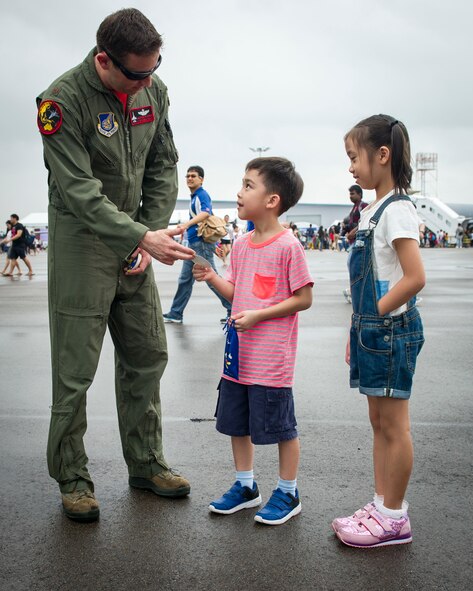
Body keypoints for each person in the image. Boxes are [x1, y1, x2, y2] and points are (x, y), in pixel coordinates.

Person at [36, 8, 196, 522]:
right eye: (135, 74)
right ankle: (73, 475)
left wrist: (144, 236)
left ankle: (146, 462)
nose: (146, 83)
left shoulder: (153, 90)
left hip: (135, 238)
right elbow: (78, 191)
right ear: (104, 60)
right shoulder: (61, 101)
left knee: (147, 354)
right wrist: (139, 235)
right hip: (83, 242)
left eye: (154, 69)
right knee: (75, 372)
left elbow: (164, 164)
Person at [193, 157, 313, 525]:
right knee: (236, 423)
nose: (239, 192)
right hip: (238, 357)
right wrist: (212, 276)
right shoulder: (242, 245)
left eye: (248, 185)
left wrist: (259, 315)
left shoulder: (288, 246)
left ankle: (288, 492)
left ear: (272, 200)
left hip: (271, 360)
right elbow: (237, 294)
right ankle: (246, 486)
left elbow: (304, 297)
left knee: (282, 428)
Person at [332, 114, 426, 548]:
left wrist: (374, 314)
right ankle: (381, 502)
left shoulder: (398, 210)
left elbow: (414, 277)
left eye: (354, 157)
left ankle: (394, 516)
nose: (351, 166)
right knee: (378, 423)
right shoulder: (372, 210)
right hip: (371, 330)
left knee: (394, 426)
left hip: (389, 330)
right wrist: (358, 329)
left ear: (382, 155)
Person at [163, 166, 232, 325]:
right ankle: (176, 313)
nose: (189, 178)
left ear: (201, 179)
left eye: (193, 176)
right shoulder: (195, 197)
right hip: (196, 243)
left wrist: (186, 225)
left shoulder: (201, 195)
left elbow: (206, 213)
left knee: (211, 278)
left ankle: (233, 308)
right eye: (187, 176)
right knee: (185, 279)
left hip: (199, 243)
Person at [341, 185, 368, 302]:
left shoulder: (364, 206)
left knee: (354, 265)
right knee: (352, 265)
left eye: (353, 194)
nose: (350, 196)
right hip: (353, 242)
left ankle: (357, 291)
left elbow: (365, 222)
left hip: (359, 242)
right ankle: (356, 290)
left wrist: (353, 232)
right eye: (350, 194)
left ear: (360, 194)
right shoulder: (354, 208)